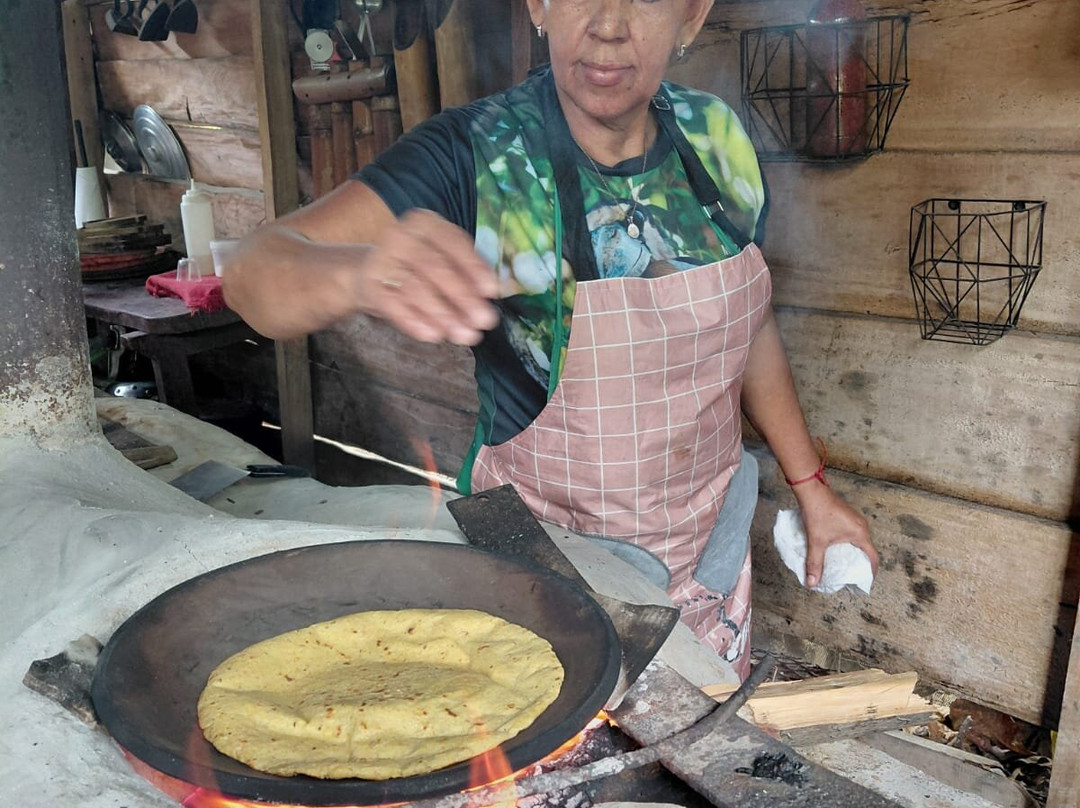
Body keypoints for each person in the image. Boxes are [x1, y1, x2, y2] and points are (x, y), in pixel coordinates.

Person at [224, 0, 878, 679]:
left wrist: (812, 488)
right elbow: (254, 273)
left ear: (691, 16)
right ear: (538, 3)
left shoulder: (717, 139)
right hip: (545, 579)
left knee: (699, 743)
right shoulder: (480, 154)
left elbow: (750, 326)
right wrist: (358, 272)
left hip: (707, 562)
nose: (609, 24)